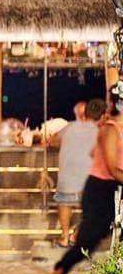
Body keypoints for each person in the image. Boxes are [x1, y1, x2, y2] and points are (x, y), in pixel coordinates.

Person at [39, 88, 123, 274]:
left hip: (114, 188)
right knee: (87, 243)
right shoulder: (110, 129)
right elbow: (113, 168)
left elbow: (94, 153)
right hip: (100, 189)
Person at [49, 98, 106, 247]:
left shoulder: (69, 127)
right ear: (102, 116)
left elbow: (51, 141)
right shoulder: (102, 132)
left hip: (66, 182)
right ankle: (76, 235)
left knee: (64, 203)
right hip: (88, 184)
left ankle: (64, 237)